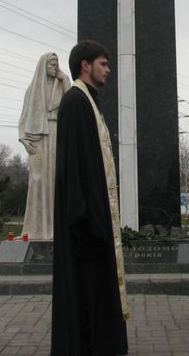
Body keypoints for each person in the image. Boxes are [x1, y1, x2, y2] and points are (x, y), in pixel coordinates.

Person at [51, 40, 129, 356]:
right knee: (86, 298)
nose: (108, 70)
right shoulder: (74, 103)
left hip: (95, 223)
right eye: (103, 63)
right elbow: (73, 168)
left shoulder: (89, 103)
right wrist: (84, 224)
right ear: (85, 65)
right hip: (85, 227)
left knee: (97, 298)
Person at [19, 53, 71, 240]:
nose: (55, 67)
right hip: (38, 138)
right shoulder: (32, 90)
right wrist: (23, 138)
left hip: (57, 134)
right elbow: (24, 117)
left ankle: (57, 228)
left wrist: (65, 79)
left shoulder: (60, 86)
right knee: (38, 180)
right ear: (43, 66)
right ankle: (36, 228)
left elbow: (71, 102)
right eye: (52, 64)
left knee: (57, 179)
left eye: (57, 64)